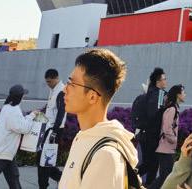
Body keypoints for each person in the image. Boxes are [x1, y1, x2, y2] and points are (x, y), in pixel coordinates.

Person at [59, 47, 138, 189]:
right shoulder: (84, 137)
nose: (65, 89)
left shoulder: (105, 156)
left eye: (72, 84)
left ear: (92, 97)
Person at [34, 69, 67, 189]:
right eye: (47, 82)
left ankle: (44, 185)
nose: (48, 84)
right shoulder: (53, 90)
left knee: (45, 160)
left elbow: (61, 113)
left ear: (56, 78)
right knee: (44, 160)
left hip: (54, 131)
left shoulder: (61, 91)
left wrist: (54, 132)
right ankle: (62, 179)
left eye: (49, 81)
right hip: (49, 129)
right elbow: (51, 109)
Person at [139, 67, 168, 186]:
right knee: (152, 164)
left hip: (143, 134)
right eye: (164, 79)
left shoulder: (147, 93)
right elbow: (157, 112)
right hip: (153, 135)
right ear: (158, 81)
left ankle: (137, 180)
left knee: (148, 163)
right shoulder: (160, 94)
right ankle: (129, 176)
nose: (166, 81)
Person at [155, 84, 185, 186]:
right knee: (165, 177)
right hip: (165, 148)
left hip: (167, 148)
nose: (185, 95)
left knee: (165, 177)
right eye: (183, 92)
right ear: (178, 95)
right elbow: (167, 128)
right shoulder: (172, 109)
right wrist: (174, 139)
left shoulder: (174, 108)